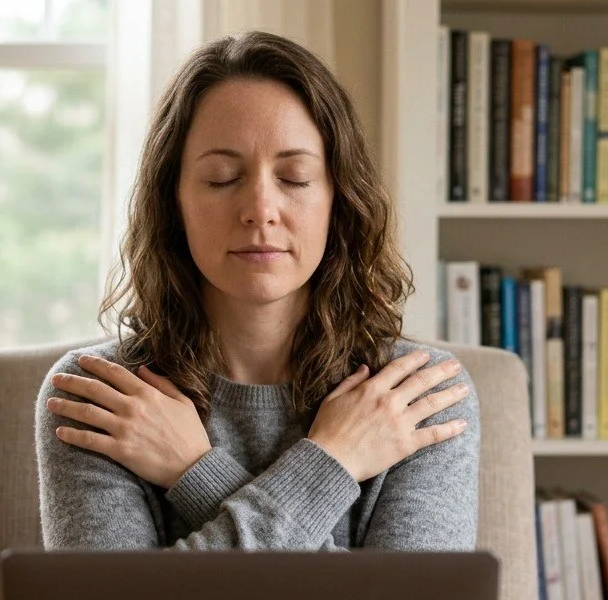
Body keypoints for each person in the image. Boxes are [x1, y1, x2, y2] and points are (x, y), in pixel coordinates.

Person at [36, 30, 478, 551]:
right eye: (222, 178)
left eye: (294, 178)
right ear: (172, 201)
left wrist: (194, 473)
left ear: (340, 199)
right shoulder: (100, 398)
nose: (260, 209)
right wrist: (332, 463)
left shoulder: (417, 400)